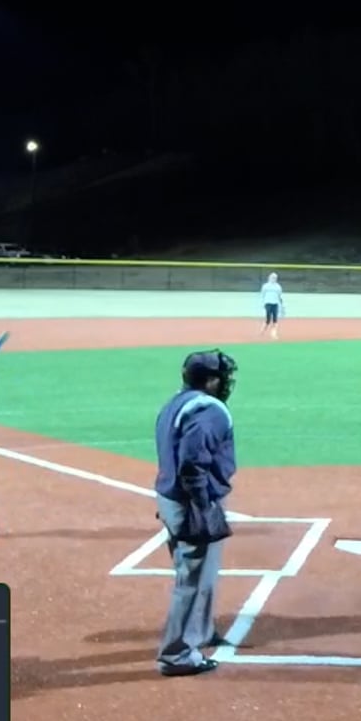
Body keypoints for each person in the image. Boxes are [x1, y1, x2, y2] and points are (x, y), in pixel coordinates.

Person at [153, 349, 239, 676]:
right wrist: (203, 505)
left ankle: (200, 632)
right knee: (193, 579)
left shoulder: (177, 402)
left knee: (199, 574)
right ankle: (176, 655)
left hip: (171, 498)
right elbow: (192, 460)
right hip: (190, 502)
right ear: (211, 380)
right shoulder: (209, 411)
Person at [259, 272, 284, 339]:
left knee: (275, 320)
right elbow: (263, 294)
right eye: (272, 277)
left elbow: (279, 296)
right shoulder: (265, 286)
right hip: (268, 303)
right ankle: (262, 330)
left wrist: (281, 305)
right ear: (269, 278)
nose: (274, 279)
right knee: (268, 319)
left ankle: (274, 334)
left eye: (275, 278)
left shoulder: (278, 287)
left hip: (275, 304)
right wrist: (263, 303)